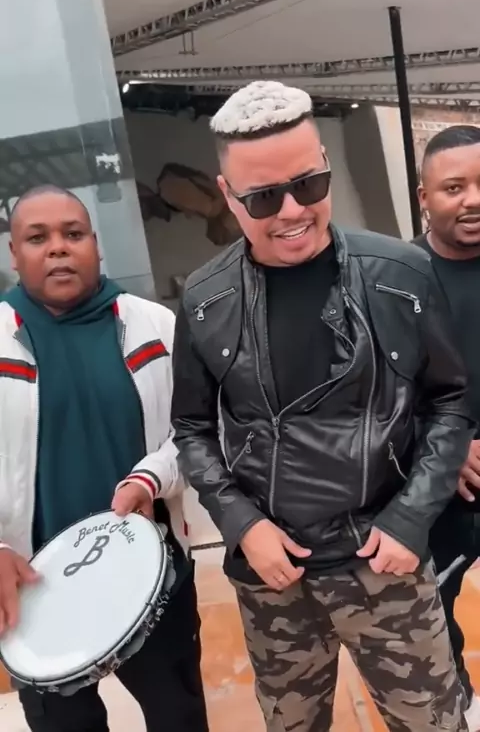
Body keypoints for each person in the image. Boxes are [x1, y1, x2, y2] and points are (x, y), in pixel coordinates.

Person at [171, 81, 474, 732]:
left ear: (327, 167)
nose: (291, 211)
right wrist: (242, 525)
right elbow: (192, 429)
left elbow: (450, 403)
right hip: (275, 574)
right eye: (262, 197)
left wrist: (411, 518)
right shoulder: (203, 299)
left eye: (309, 185)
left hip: (386, 561)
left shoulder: (400, 273)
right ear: (227, 194)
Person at [0, 186, 209, 732]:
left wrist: (150, 478)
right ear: (14, 253)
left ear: (95, 243)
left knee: (179, 717)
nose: (58, 248)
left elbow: (194, 433)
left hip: (152, 574)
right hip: (34, 589)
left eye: (73, 234)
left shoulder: (155, 326)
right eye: (37, 238)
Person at [416, 124, 480, 732]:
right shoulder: (394, 281)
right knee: (432, 612)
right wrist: (447, 445)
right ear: (425, 197)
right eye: (454, 187)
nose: (472, 200)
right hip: (440, 487)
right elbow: (374, 392)